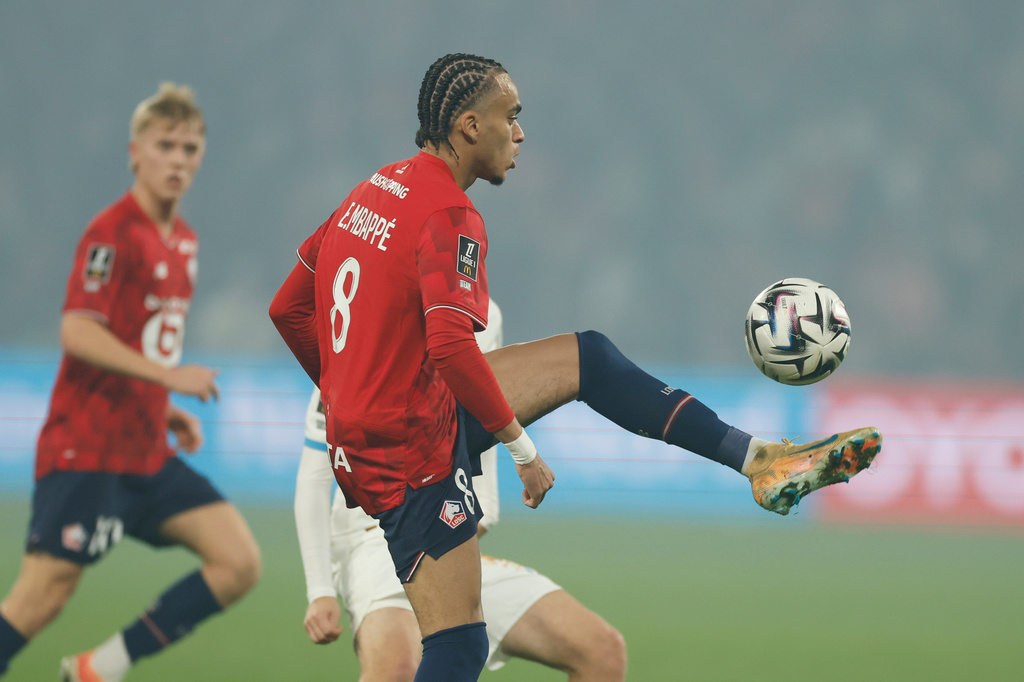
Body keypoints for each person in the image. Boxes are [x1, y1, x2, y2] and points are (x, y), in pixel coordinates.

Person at [269, 53, 882, 681]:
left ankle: (758, 460)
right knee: (457, 644)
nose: (521, 133)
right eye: (512, 117)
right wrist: (520, 448)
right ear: (470, 126)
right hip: (408, 445)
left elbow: (288, 308)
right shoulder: (451, 214)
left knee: (587, 357)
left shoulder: (373, 189)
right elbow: (452, 346)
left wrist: (349, 387)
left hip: (395, 417)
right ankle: (755, 463)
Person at [0, 83, 261, 682]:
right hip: (87, 450)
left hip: (144, 451)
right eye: (165, 145)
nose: (178, 159)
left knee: (238, 560)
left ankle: (99, 668)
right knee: (42, 597)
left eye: (190, 148)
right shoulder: (112, 234)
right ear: (134, 153)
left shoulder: (185, 242)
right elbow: (79, 332)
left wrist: (161, 404)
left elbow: (133, 340)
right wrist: (168, 378)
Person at [295, 299, 627, 681]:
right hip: (374, 542)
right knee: (398, 672)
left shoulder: (486, 311)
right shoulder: (369, 312)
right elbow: (315, 474)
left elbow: (474, 420)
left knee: (600, 650)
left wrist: (477, 512)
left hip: (450, 540)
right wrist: (319, 588)